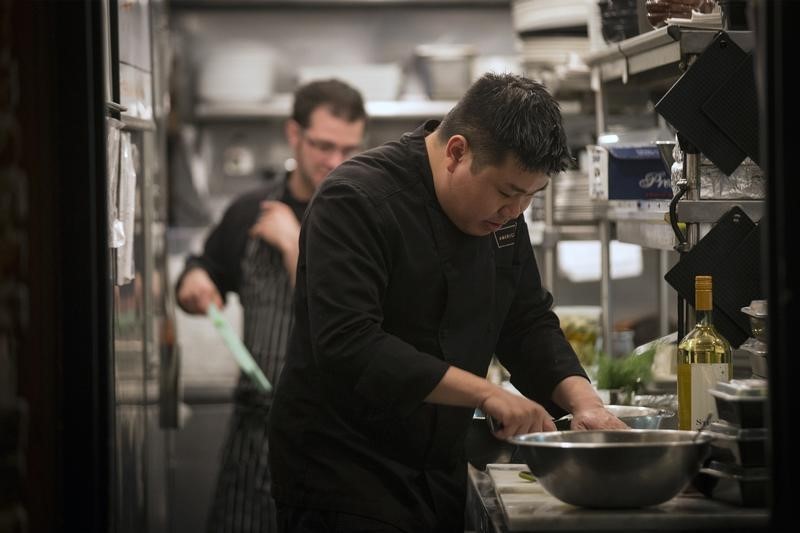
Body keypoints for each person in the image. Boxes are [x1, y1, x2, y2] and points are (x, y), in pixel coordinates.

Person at [266, 73, 628, 533]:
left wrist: (586, 404)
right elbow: (350, 344)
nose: (515, 212)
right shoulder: (355, 199)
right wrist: (488, 393)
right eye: (507, 193)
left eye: (530, 198)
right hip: (342, 475)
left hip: (438, 471)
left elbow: (526, 321)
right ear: (457, 152)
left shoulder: (502, 220)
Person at [175, 78, 367, 533]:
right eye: (323, 145)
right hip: (255, 433)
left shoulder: (365, 216)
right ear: (293, 134)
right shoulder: (249, 210)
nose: (335, 161)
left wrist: (293, 245)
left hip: (338, 439)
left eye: (348, 149)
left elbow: (348, 309)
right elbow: (205, 266)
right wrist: (194, 281)